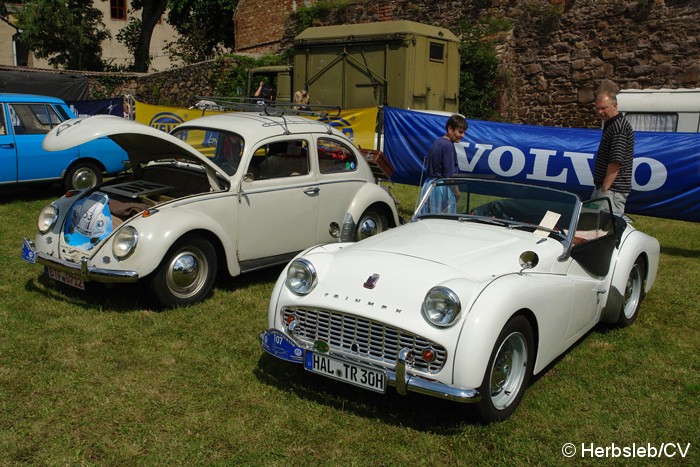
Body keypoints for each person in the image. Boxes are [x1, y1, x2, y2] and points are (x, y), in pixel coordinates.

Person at [592, 91, 634, 217]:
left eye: (604, 108)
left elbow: (616, 162)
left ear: (615, 106)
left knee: (605, 231)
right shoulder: (611, 124)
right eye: (597, 108)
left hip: (612, 191)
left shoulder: (618, 128)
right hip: (606, 188)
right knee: (592, 226)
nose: (600, 112)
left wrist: (605, 189)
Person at [420, 114, 468, 214]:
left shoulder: (438, 141)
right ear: (450, 129)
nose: (462, 136)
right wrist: (456, 192)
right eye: (460, 132)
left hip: (430, 185)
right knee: (442, 218)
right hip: (441, 188)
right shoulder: (448, 146)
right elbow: (449, 175)